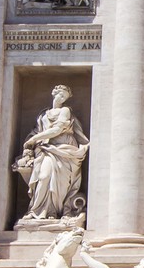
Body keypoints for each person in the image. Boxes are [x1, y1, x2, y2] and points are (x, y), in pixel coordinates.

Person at [14, 86, 89, 222]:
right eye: (61, 95)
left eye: (65, 97)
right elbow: (37, 131)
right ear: (54, 94)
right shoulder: (43, 114)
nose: (62, 99)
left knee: (58, 182)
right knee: (43, 177)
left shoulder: (65, 111)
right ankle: (37, 211)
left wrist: (34, 139)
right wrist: (32, 142)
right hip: (45, 149)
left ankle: (53, 212)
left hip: (64, 150)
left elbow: (57, 130)